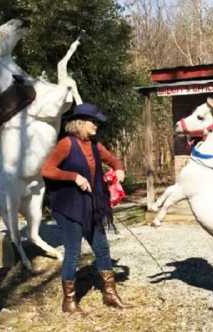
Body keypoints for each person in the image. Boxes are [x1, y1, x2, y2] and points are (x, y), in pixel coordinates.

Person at [41, 103, 131, 314]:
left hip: (93, 205)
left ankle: (110, 295)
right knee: (73, 252)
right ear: (80, 123)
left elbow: (114, 160)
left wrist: (118, 170)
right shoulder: (66, 144)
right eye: (94, 122)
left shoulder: (95, 145)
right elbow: (46, 169)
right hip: (69, 207)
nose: (96, 126)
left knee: (102, 248)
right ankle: (69, 302)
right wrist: (73, 177)